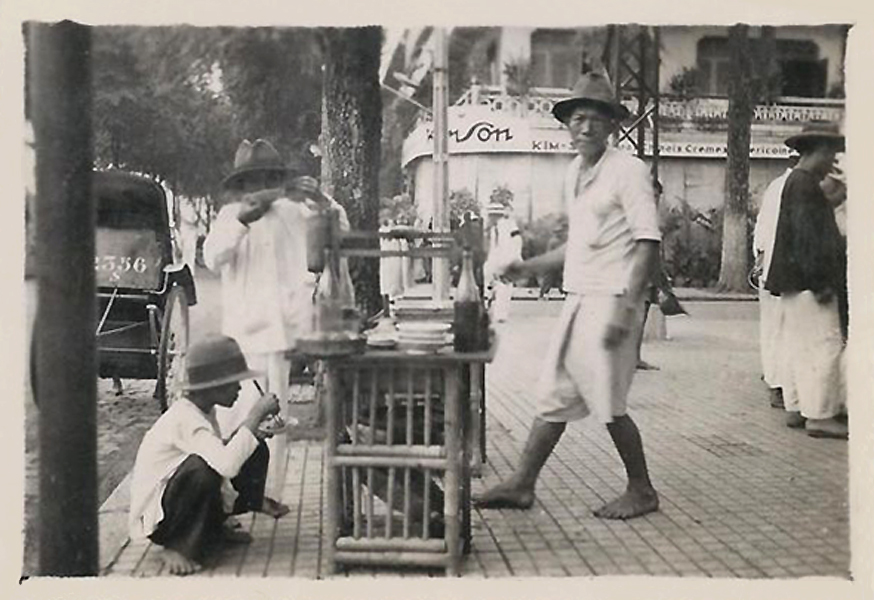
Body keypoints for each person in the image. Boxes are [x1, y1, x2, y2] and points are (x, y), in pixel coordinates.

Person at [474, 73, 661, 519]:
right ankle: (522, 484)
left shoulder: (628, 170)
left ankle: (642, 490)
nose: (586, 127)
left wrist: (627, 309)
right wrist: (528, 266)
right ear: (567, 124)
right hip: (579, 300)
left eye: (596, 119)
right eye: (578, 118)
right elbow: (574, 245)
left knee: (610, 402)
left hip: (613, 300)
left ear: (612, 125)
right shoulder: (576, 172)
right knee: (555, 395)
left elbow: (648, 241)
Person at [204, 139, 349, 509]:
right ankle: (225, 497)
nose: (260, 187)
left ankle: (265, 494)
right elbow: (212, 257)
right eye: (252, 181)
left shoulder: (294, 209)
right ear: (241, 185)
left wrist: (322, 200)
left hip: (284, 333)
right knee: (235, 415)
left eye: (267, 178)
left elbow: (340, 230)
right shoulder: (230, 215)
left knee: (275, 421)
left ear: (277, 178)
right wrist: (241, 221)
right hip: (243, 336)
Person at [128, 335, 282, 575]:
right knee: (204, 470)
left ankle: (214, 527)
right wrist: (254, 415)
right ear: (214, 386)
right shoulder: (186, 419)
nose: (240, 389)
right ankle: (176, 546)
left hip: (175, 498)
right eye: (234, 383)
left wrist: (254, 432)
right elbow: (227, 466)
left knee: (253, 446)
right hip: (159, 522)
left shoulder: (202, 410)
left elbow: (224, 455)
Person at [766, 122, 847, 439]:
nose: (832, 163)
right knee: (823, 346)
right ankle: (820, 415)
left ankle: (798, 407)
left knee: (798, 347)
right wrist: (821, 281)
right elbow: (808, 239)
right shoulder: (805, 185)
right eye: (831, 155)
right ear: (819, 151)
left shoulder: (796, 182)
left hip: (792, 284)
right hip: (809, 283)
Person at [752, 151, 800, 410]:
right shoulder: (794, 186)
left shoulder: (775, 187)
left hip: (769, 267)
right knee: (781, 329)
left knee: (772, 328)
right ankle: (779, 384)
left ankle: (775, 379)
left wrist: (759, 260)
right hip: (780, 269)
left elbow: (760, 229)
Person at [484, 202, 522, 323]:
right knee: (489, 284)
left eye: (491, 215)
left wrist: (510, 260)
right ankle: (488, 306)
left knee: (504, 287)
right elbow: (492, 247)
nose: (489, 218)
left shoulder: (510, 226)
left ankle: (501, 314)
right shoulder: (492, 229)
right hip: (494, 260)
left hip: (506, 259)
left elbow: (517, 242)